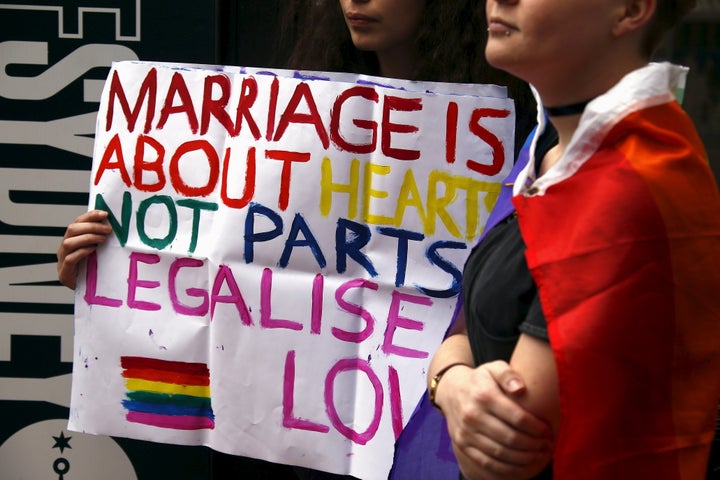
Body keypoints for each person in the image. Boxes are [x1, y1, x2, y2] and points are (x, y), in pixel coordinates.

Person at [58, 1, 541, 478]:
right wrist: (109, 270)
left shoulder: (519, 139)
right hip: (313, 443)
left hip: (442, 440)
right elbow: (228, 269)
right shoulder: (288, 125)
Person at [428, 0, 720, 478]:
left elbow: (501, 454)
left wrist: (450, 379)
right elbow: (462, 333)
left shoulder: (629, 184)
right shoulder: (547, 151)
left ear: (629, 10)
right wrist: (452, 382)